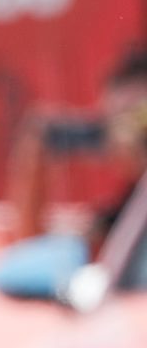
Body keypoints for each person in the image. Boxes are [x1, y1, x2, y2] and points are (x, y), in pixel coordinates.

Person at [10, 45, 147, 257]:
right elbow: (31, 254)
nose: (126, 136)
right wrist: (34, 167)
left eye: (138, 120)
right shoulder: (125, 217)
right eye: (113, 123)